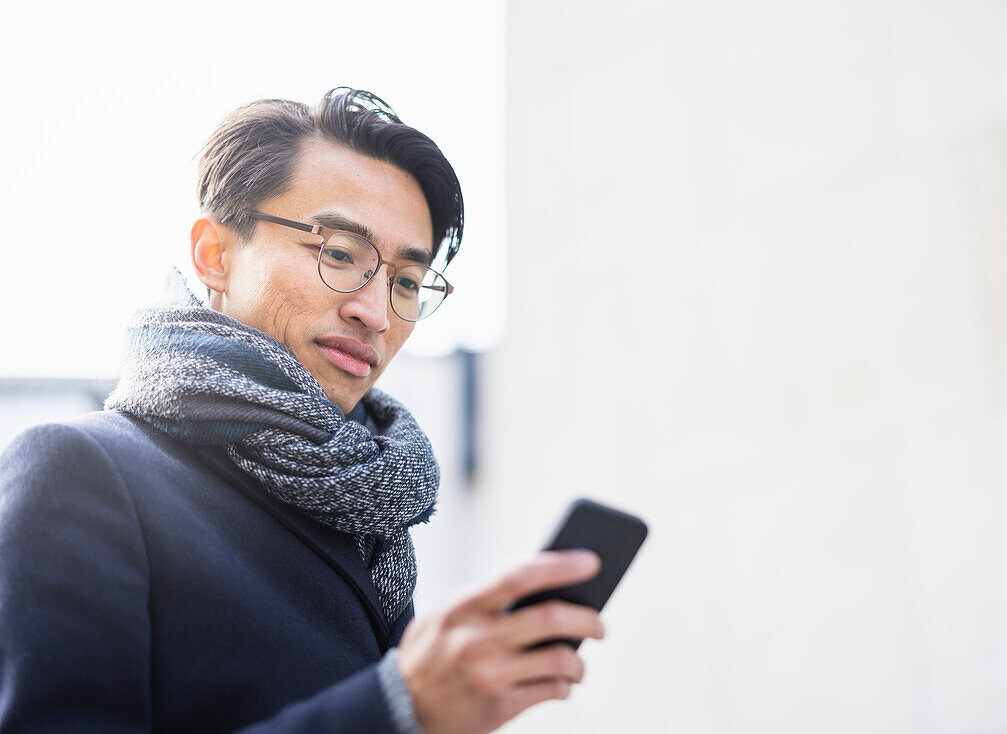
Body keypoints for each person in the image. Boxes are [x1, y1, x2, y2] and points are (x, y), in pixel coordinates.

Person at [0, 87, 605, 734]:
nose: (374, 312)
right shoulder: (82, 471)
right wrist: (398, 707)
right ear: (215, 254)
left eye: (405, 282)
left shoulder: (371, 513)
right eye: (340, 253)